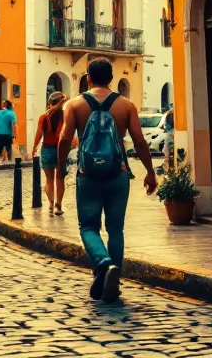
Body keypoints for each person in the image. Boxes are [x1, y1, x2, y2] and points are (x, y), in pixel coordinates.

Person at [57, 59, 157, 303]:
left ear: (88, 77)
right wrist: (150, 171)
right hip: (118, 173)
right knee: (115, 230)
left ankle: (102, 264)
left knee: (88, 227)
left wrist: (61, 169)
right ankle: (114, 279)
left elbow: (63, 140)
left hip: (87, 175)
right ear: (111, 78)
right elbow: (140, 142)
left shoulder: (75, 104)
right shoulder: (126, 105)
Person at [33, 91, 68, 215]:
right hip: (61, 149)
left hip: (47, 149)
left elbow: (38, 134)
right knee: (60, 179)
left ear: (49, 103)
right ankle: (59, 206)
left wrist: (34, 148)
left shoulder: (43, 117)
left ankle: (51, 204)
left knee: (49, 179)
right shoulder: (65, 116)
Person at [0, 100, 17, 164]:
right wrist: (14, 134)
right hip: (7, 134)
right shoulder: (11, 113)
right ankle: (5, 160)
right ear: (10, 106)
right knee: (7, 147)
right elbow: (14, 125)